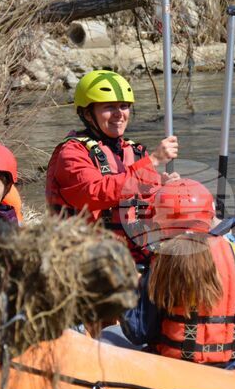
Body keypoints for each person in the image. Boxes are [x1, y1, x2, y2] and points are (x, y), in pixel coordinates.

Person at [45, 70, 178, 264]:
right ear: (88, 114)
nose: (119, 114)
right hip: (88, 257)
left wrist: (162, 189)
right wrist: (154, 161)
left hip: (135, 252)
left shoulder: (133, 151)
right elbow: (95, 193)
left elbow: (142, 205)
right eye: (109, 107)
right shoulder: (72, 152)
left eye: (123, 106)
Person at [119, 179, 235, 367]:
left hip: (179, 369)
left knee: (107, 336)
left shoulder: (165, 258)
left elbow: (138, 332)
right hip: (231, 363)